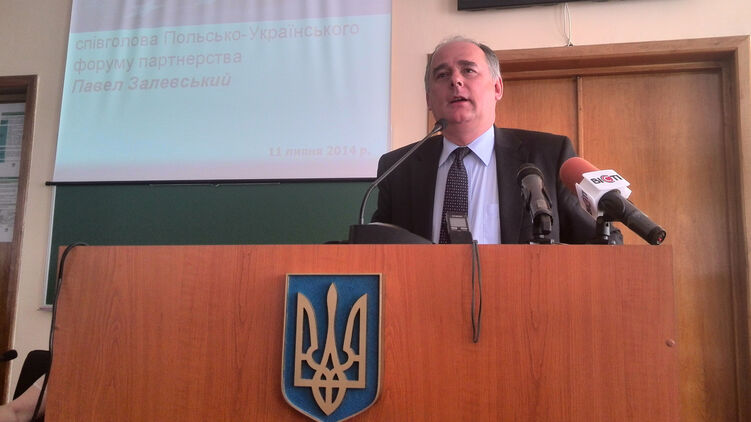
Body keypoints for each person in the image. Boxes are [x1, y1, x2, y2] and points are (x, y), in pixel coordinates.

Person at [371, 36, 618, 244]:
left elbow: (602, 241)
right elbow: (376, 251)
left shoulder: (549, 156)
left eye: (468, 70)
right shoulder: (398, 168)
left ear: (497, 88)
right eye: (442, 75)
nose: (455, 80)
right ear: (428, 99)